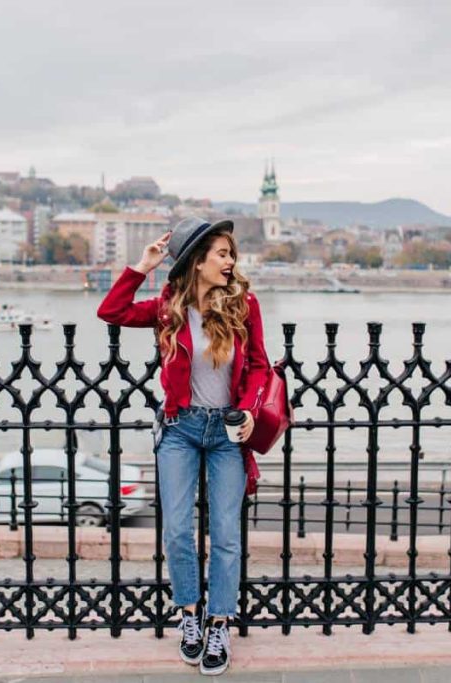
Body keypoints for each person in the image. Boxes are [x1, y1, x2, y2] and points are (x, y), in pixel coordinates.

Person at [96, 216, 270, 676]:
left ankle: (219, 623)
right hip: (180, 429)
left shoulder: (244, 305)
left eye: (231, 254)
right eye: (222, 254)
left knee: (226, 536)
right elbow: (111, 312)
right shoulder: (167, 308)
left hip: (228, 434)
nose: (230, 262)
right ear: (197, 262)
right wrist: (141, 266)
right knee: (176, 530)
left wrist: (251, 408)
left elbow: (259, 367)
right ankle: (189, 615)